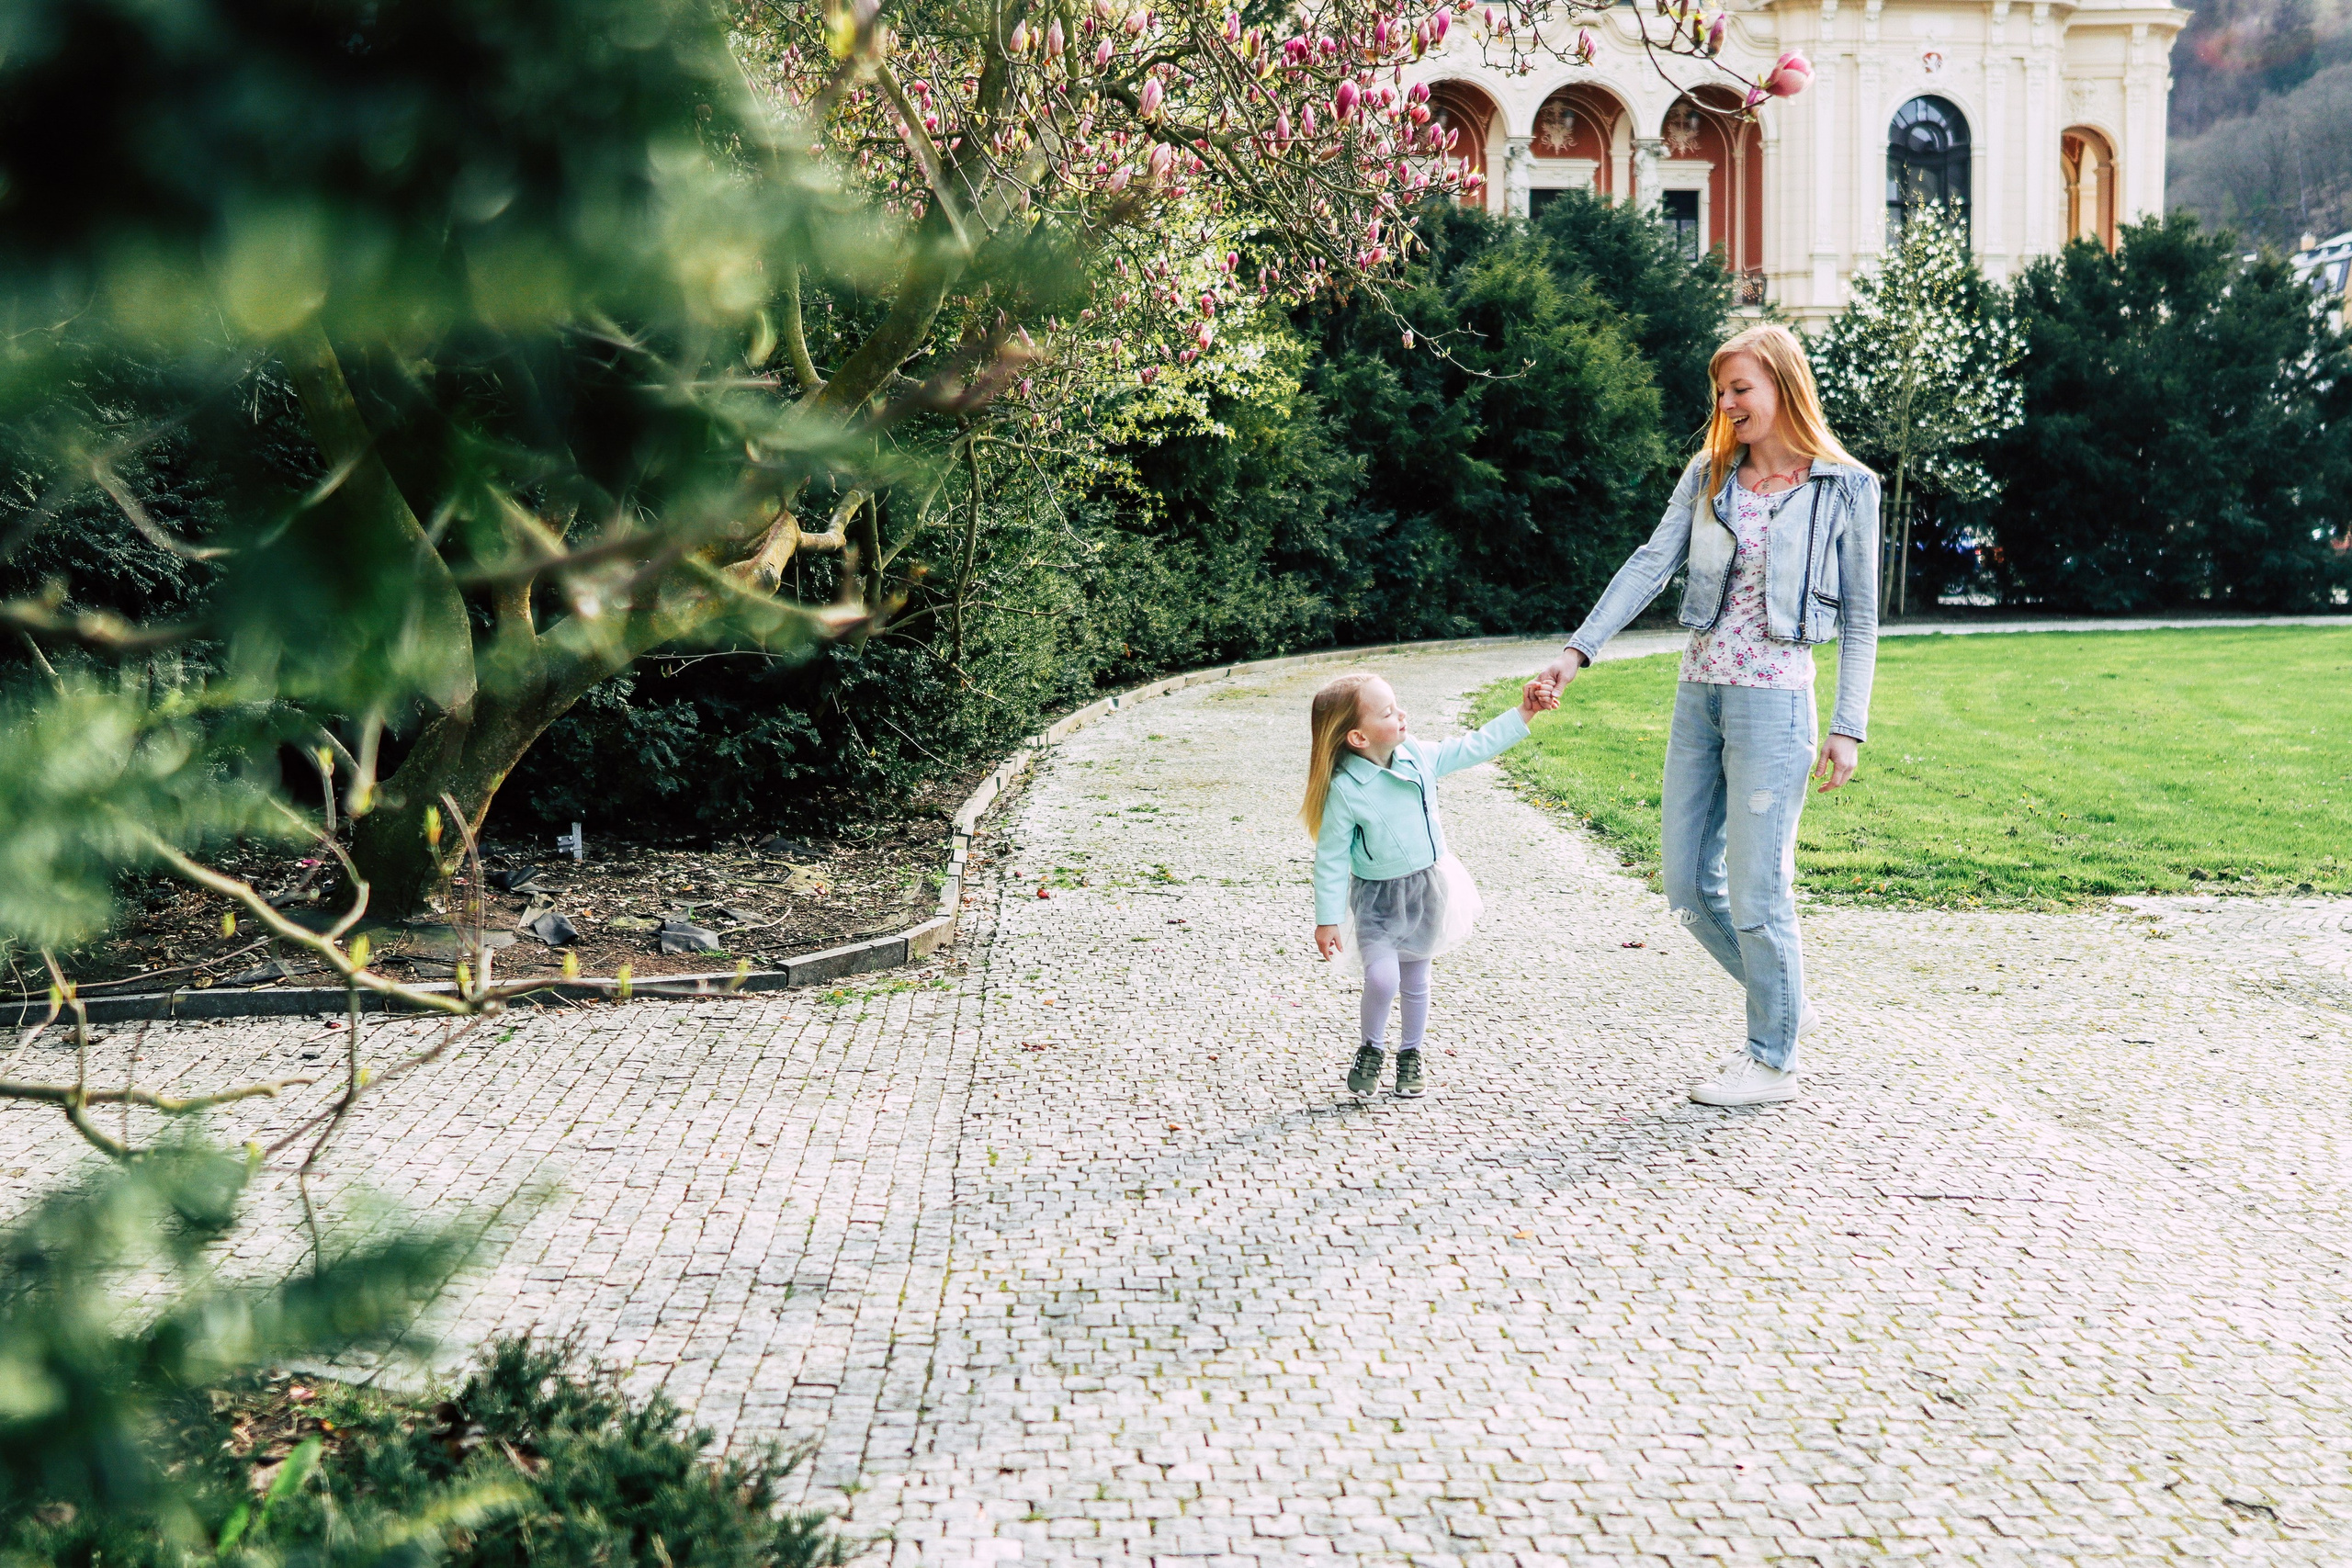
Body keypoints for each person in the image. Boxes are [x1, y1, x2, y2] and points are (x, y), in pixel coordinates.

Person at [1535, 323, 1881, 1108]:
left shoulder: (1845, 487)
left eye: (1741, 390)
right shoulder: (1710, 473)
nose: (1726, 405)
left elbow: (1860, 619)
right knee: (1686, 884)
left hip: (1775, 706)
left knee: (1759, 892)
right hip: (1700, 698)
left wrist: (1847, 725)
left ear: (1784, 389)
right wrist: (1576, 652)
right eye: (1721, 392)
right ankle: (1783, 1000)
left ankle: (1772, 1055)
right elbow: (1652, 561)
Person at [1304, 671, 1556, 1100]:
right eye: (1387, 712)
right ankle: (1371, 1047)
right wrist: (1327, 920)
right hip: (1377, 899)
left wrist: (1524, 712)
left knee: (1417, 977)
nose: (1402, 714)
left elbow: (1472, 746)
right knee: (1383, 979)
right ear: (1358, 738)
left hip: (1427, 889)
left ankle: (1411, 1054)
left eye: (1397, 704)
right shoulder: (1345, 790)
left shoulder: (1417, 755)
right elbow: (1330, 859)